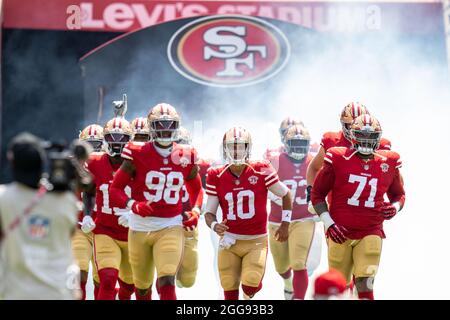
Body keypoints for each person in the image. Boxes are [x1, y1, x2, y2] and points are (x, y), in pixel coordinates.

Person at [110, 103, 203, 300]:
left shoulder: (186, 154)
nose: (166, 129)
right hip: (140, 226)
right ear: (151, 126)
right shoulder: (136, 152)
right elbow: (115, 188)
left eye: (170, 125)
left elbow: (197, 189)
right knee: (142, 288)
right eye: (160, 124)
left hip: (170, 224)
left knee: (167, 281)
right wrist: (132, 205)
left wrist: (195, 210)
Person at [311, 114, 405, 300]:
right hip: (340, 230)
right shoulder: (337, 157)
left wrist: (395, 207)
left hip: (371, 230)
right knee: (339, 287)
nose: (367, 140)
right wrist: (329, 223)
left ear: (379, 137)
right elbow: (317, 194)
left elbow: (399, 194)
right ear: (352, 135)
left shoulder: (389, 161)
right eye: (362, 134)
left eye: (371, 136)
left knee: (365, 283)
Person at [204, 126, 292, 300]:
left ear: (248, 147)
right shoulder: (216, 174)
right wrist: (215, 225)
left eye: (241, 145)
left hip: (256, 241)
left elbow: (285, 193)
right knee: (228, 284)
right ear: (225, 148)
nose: (236, 151)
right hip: (229, 240)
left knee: (250, 284)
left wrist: (285, 224)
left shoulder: (261, 168)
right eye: (232, 146)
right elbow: (209, 213)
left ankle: (248, 295)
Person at [0, 132, 79, 299]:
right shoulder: (66, 202)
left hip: (16, 294)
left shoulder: (3, 199)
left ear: (12, 163)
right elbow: (70, 232)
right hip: (58, 293)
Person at [82, 117, 135, 300]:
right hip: (105, 230)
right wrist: (88, 215)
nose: (117, 143)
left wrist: (134, 212)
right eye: (112, 137)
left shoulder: (140, 162)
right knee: (107, 279)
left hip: (133, 233)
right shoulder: (95, 162)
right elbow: (88, 192)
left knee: (130, 286)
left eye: (122, 139)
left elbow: (149, 194)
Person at [266, 124, 321, 300]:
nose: (298, 148)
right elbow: (263, 186)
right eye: (294, 144)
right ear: (285, 144)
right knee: (281, 267)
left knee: (299, 262)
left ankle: (298, 298)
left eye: (302, 144)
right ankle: (288, 284)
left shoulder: (314, 162)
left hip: (304, 218)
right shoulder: (275, 160)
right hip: (277, 220)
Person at [72, 124, 103, 299]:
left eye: (97, 145)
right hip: (79, 226)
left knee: (102, 278)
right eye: (89, 145)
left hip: (104, 228)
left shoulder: (111, 163)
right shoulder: (72, 164)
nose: (92, 151)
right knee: (79, 271)